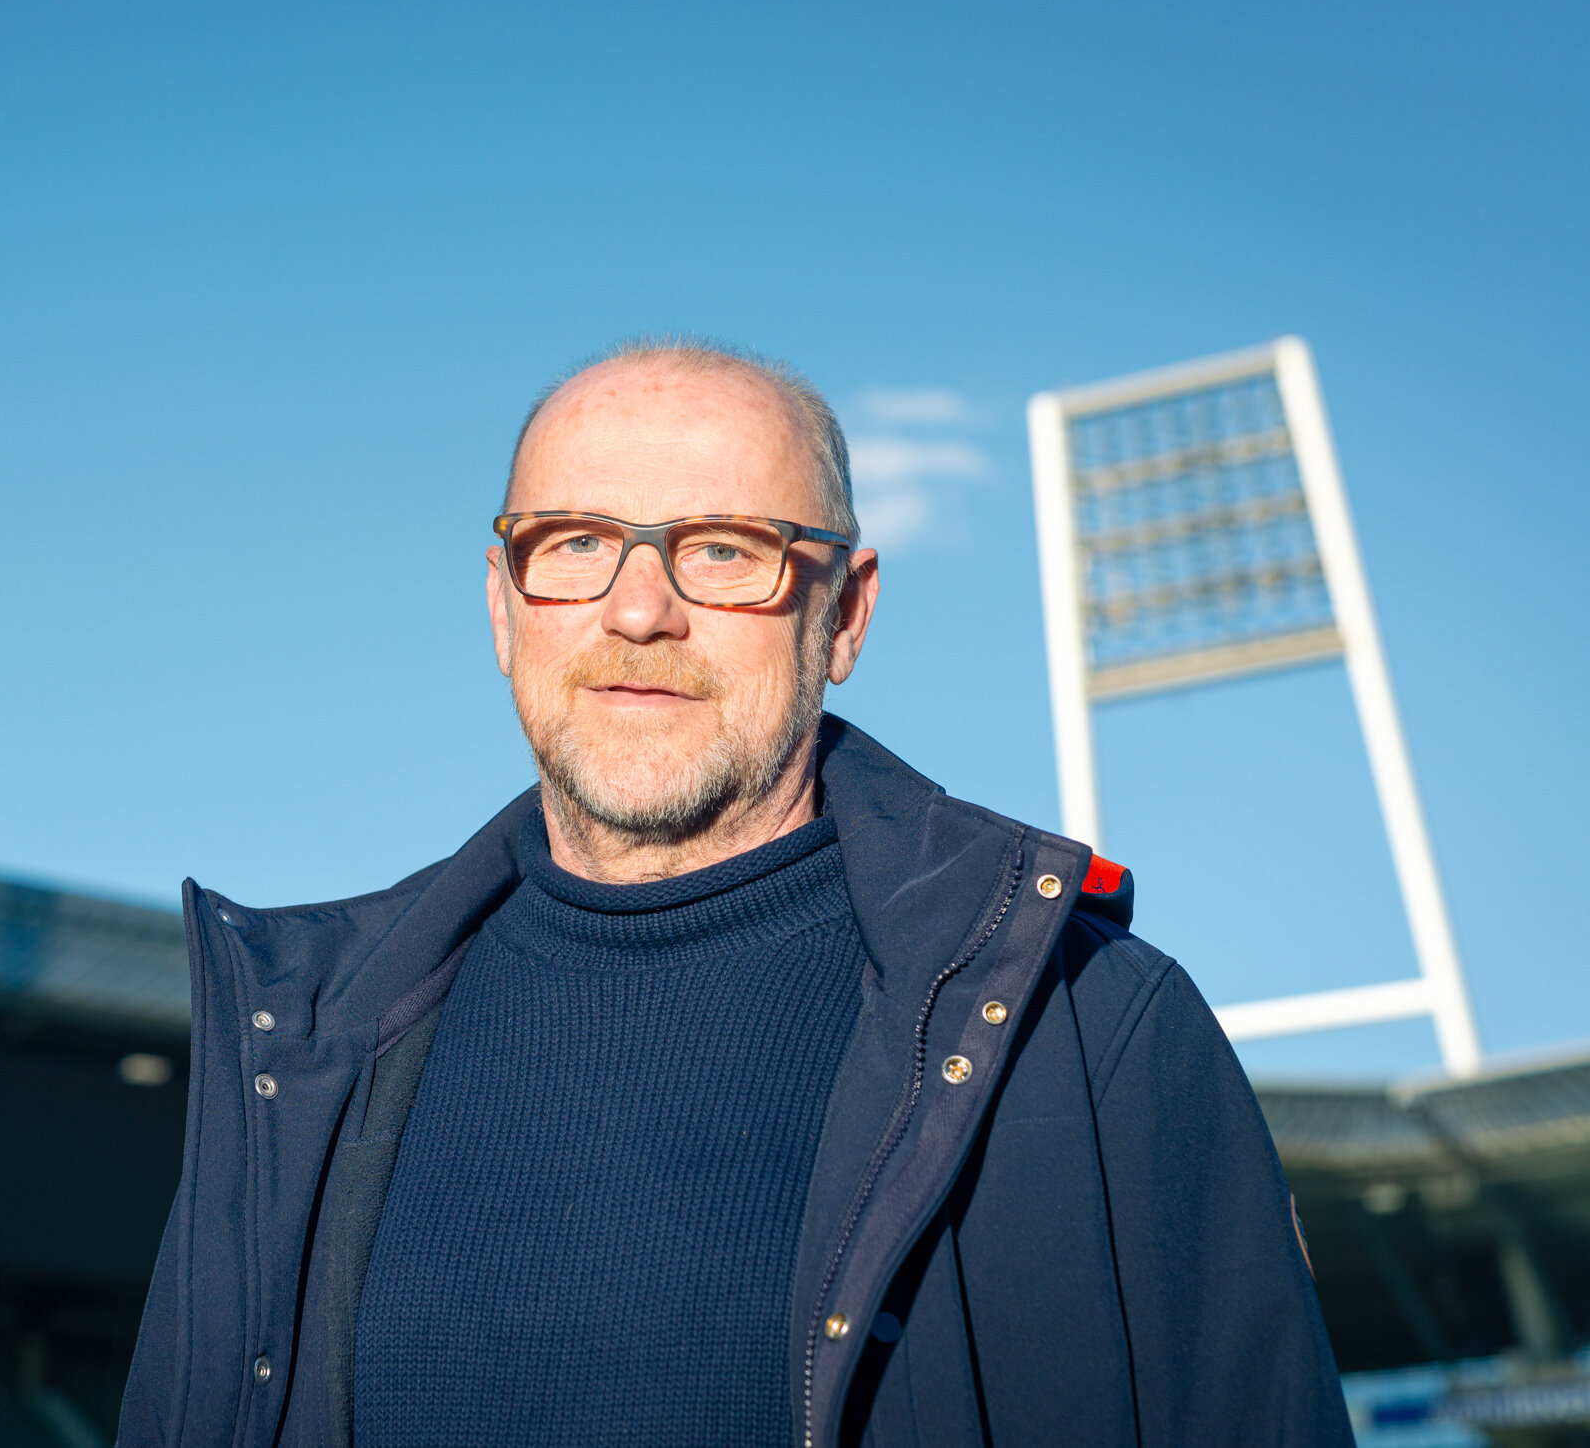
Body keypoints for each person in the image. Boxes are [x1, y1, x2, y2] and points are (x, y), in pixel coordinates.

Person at [118, 341, 1351, 1446]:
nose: (639, 609)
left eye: (723, 550)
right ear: (503, 607)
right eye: (576, 544)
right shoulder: (299, 1055)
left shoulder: (1085, 1031)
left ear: (845, 614)